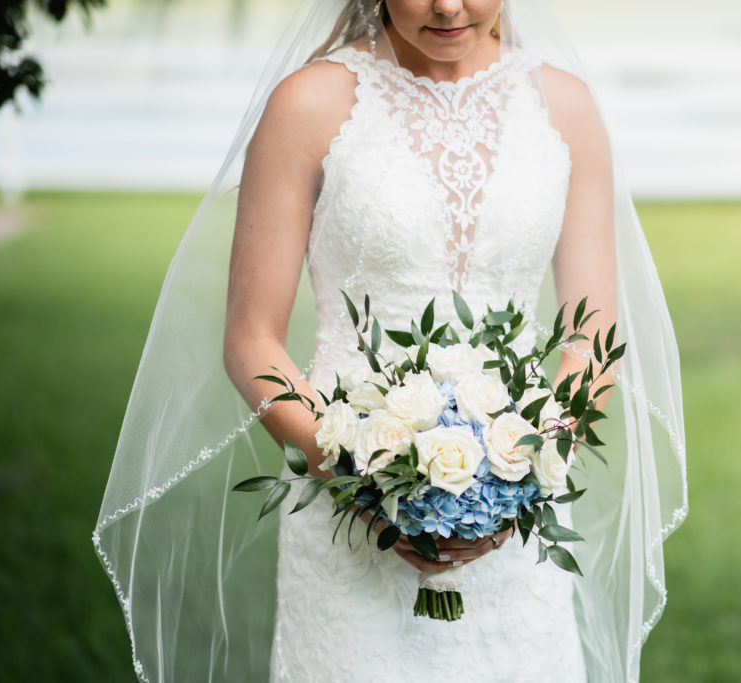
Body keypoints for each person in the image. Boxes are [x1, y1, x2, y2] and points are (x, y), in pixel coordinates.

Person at [94, 1, 687, 682]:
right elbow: (251, 339)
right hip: (347, 520)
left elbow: (594, 338)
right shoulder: (309, 105)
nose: (447, 5)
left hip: (515, 539)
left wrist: (519, 479)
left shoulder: (566, 108)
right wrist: (367, 484)